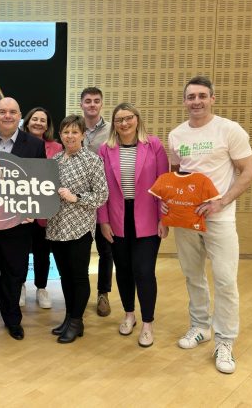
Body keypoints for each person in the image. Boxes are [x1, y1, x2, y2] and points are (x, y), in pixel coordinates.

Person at [168, 76, 252, 374]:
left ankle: (225, 340)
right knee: (193, 275)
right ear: (184, 101)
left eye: (202, 96)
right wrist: (170, 201)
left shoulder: (229, 130)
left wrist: (222, 201)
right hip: (186, 220)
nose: (196, 101)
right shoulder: (176, 135)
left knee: (225, 279)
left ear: (212, 99)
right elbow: (176, 176)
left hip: (219, 218)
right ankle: (200, 326)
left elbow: (248, 171)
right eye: (191, 96)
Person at [0, 97, 46, 341]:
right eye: (2, 111)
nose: (7, 116)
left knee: (15, 274)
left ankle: (13, 321)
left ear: (19, 115)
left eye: (12, 111)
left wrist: (33, 211)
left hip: (18, 225)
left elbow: (38, 182)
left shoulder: (34, 144)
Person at [97, 103, 169, 348]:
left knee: (144, 271)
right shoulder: (105, 150)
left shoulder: (154, 145)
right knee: (124, 270)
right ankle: (129, 315)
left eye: (128, 118)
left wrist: (163, 218)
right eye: (119, 120)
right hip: (117, 218)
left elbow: (164, 185)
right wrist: (103, 220)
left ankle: (148, 323)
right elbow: (101, 189)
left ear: (137, 119)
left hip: (147, 216)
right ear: (114, 124)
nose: (124, 123)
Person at [46, 115, 108, 343]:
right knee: (64, 276)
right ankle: (69, 317)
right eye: (65, 132)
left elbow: (102, 195)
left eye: (74, 132)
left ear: (83, 135)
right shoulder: (55, 160)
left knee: (79, 276)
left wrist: (76, 197)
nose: (69, 136)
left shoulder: (92, 160)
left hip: (79, 228)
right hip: (56, 227)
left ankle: (77, 321)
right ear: (60, 135)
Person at [20, 106, 62, 309]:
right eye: (34, 119)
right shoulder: (17, 145)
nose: (38, 123)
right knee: (18, 251)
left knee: (42, 252)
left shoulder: (57, 148)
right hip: (20, 208)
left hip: (44, 210)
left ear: (47, 125)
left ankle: (41, 288)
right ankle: (19, 286)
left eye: (42, 120)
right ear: (27, 122)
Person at [80, 87, 114, 317]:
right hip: (78, 200)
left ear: (101, 104)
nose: (92, 105)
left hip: (105, 198)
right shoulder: (74, 127)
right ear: (81, 104)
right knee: (81, 251)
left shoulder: (113, 131)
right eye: (88, 101)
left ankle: (103, 294)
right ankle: (79, 293)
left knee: (106, 250)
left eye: (96, 101)